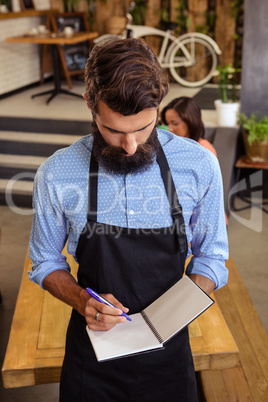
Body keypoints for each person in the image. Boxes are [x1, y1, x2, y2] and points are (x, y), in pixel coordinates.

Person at [29, 38, 228, 401]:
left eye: (144, 127)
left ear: (159, 106)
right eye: (114, 130)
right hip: (92, 363)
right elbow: (45, 260)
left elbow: (212, 256)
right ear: (90, 104)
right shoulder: (57, 173)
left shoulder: (199, 165)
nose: (131, 145)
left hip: (169, 358)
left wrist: (177, 310)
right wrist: (79, 299)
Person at [161, 96, 228, 225]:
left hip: (202, 221)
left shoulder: (204, 151)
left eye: (175, 123)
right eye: (167, 123)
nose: (170, 129)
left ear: (191, 122)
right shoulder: (176, 146)